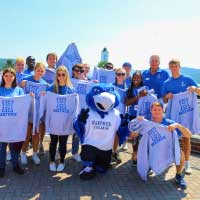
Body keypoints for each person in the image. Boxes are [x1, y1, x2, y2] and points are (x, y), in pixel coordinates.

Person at [130, 102, 191, 189]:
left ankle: (178, 175)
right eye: (154, 109)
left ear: (163, 110)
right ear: (151, 111)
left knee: (180, 155)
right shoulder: (146, 123)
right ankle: (148, 167)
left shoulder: (169, 122)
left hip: (166, 150)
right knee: (136, 156)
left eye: (159, 110)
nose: (157, 111)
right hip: (152, 150)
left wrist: (177, 126)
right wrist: (137, 122)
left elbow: (188, 135)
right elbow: (133, 135)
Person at [162, 58, 200, 174]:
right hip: (172, 113)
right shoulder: (167, 82)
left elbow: (199, 91)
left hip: (186, 114)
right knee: (170, 138)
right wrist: (167, 97)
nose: (174, 68)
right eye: (171, 66)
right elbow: (163, 99)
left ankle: (187, 164)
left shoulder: (187, 79)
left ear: (180, 67)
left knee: (186, 138)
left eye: (176, 66)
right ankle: (170, 160)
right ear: (169, 68)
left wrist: (195, 89)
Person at [47, 66, 76, 171]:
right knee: (53, 142)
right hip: (53, 121)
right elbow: (46, 102)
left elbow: (74, 107)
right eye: (58, 75)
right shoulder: (51, 88)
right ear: (56, 76)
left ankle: (62, 161)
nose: (61, 77)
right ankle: (51, 161)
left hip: (66, 121)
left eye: (63, 74)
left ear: (66, 75)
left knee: (63, 143)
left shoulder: (71, 90)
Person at [20, 62, 48, 166]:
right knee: (26, 135)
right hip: (27, 113)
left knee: (36, 135)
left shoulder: (45, 84)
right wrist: (22, 85)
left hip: (38, 114)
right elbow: (19, 89)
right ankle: (23, 153)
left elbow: (51, 92)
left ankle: (35, 153)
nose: (39, 72)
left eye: (42, 71)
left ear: (44, 72)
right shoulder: (27, 80)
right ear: (34, 70)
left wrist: (45, 94)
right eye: (38, 70)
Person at [0, 68, 25, 177]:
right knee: (1, 147)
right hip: (1, 124)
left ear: (14, 77)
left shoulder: (19, 90)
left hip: (15, 124)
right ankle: (1, 167)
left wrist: (31, 97)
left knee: (15, 147)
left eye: (11, 76)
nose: (9, 78)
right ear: (3, 77)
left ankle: (16, 166)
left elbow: (23, 104)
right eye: (6, 76)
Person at [125, 71, 148, 165]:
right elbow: (127, 103)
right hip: (133, 116)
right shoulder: (129, 89)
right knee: (135, 137)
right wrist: (138, 96)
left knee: (143, 137)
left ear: (141, 79)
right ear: (132, 78)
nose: (136, 79)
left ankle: (142, 156)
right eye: (134, 77)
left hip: (143, 116)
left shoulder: (145, 89)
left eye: (138, 77)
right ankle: (135, 155)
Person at [39, 53, 58, 154]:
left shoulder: (59, 72)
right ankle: (40, 143)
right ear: (47, 60)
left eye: (54, 59)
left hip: (55, 101)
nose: (52, 60)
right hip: (44, 100)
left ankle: (54, 145)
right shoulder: (43, 71)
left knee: (54, 122)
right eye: (50, 59)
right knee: (42, 123)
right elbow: (35, 76)